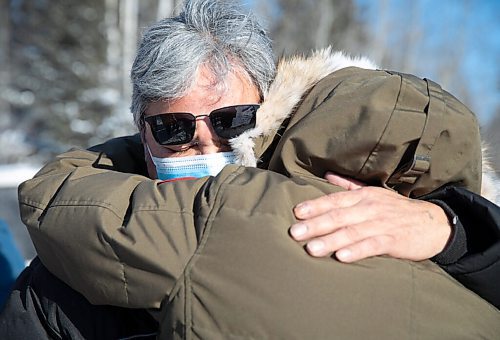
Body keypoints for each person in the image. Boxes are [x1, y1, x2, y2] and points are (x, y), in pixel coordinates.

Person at [1, 0, 499, 338]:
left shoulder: (357, 188)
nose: (204, 144)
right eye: (173, 128)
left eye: (231, 120)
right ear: (141, 127)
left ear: (270, 111)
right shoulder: (71, 270)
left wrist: (451, 232)